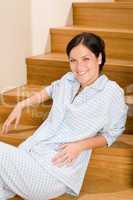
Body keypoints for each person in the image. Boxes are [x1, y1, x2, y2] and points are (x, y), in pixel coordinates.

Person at [0, 32, 128, 200]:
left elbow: (112, 134)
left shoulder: (111, 93)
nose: (78, 67)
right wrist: (21, 105)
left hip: (53, 172)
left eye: (85, 59)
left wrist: (80, 146)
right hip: (30, 154)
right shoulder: (69, 80)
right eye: (73, 60)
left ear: (99, 58)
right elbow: (49, 90)